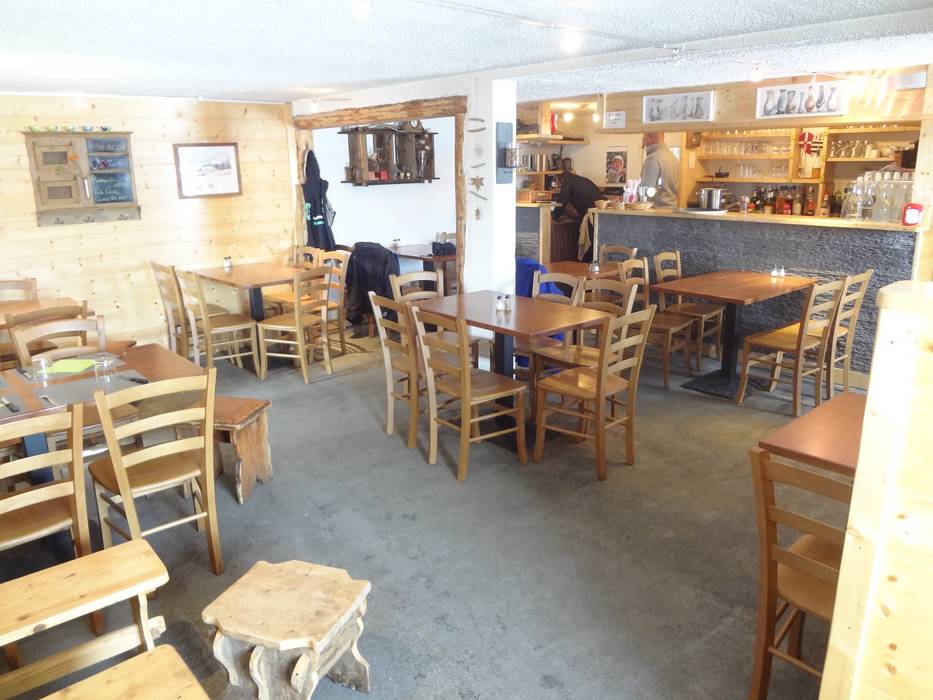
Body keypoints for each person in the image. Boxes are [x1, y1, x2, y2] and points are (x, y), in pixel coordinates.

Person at [641, 132, 680, 208]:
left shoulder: (653, 159)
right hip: (673, 210)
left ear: (650, 136)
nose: (644, 140)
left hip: (655, 211)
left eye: (644, 137)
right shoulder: (673, 158)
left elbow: (646, 194)